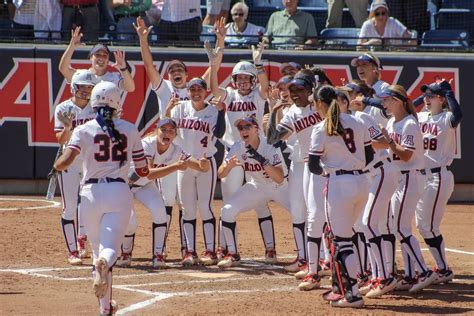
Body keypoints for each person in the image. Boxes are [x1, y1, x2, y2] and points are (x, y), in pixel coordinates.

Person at [53, 81, 149, 315]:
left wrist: (56, 164)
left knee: (97, 250)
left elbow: (63, 162)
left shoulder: (82, 129)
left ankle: (105, 308)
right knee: (110, 250)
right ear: (117, 102)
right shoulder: (129, 128)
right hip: (118, 191)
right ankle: (104, 269)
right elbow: (143, 169)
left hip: (90, 194)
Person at [134, 16, 225, 259]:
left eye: (180, 70)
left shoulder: (194, 91)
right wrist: (143, 40)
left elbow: (213, 67)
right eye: (172, 70)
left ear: (187, 75)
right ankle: (161, 249)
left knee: (189, 205)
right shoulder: (164, 88)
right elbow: (148, 65)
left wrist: (220, 42)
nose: (176, 73)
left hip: (190, 156)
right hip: (169, 153)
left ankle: (189, 249)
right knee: (167, 202)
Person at [206, 39, 278, 262]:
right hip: (234, 148)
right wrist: (213, 63)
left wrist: (258, 64)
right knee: (229, 199)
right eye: (240, 78)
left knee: (260, 200)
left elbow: (265, 88)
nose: (243, 82)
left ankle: (270, 248)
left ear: (252, 80)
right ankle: (227, 247)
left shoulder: (257, 94)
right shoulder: (230, 94)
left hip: (258, 148)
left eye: (247, 78)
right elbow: (214, 89)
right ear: (235, 80)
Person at [308, 85, 373, 307]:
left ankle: (352, 294)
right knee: (344, 235)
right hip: (362, 182)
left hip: (338, 184)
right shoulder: (357, 121)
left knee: (341, 240)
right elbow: (370, 154)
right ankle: (342, 286)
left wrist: (329, 170)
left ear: (319, 103)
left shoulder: (321, 127)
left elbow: (313, 165)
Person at [117, 118, 211, 268]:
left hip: (145, 186)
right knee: (130, 221)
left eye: (171, 131)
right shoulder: (147, 143)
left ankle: (158, 255)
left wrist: (204, 164)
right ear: (157, 131)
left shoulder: (176, 150)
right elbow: (146, 173)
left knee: (160, 212)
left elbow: (200, 167)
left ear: (175, 135)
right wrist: (175, 167)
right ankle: (126, 253)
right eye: (163, 130)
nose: (167, 133)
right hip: (125, 185)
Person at [336, 86, 398, 298]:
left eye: (338, 101)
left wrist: (361, 144)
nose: (333, 107)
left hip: (381, 171)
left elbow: (382, 142)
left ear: (346, 102)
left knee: (369, 224)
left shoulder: (361, 117)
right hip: (368, 177)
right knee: (365, 225)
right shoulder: (335, 126)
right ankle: (376, 275)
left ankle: (385, 277)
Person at [377, 84, 437, 293]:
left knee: (400, 228)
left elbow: (406, 155)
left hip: (411, 177)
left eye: (386, 99)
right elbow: (390, 150)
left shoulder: (410, 123)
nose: (383, 103)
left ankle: (424, 271)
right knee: (401, 227)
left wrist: (389, 143)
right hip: (400, 178)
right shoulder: (394, 121)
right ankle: (411, 275)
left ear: (398, 101)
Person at [267, 72, 325, 282]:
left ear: (311, 90)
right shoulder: (291, 112)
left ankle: (325, 259)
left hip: (323, 164)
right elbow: (273, 138)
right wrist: (274, 113)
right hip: (299, 165)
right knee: (299, 211)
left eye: (300, 89)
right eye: (292, 91)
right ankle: (304, 258)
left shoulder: (322, 106)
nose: (295, 94)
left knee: (318, 212)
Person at [165, 77, 226, 266]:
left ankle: (210, 250)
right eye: (192, 89)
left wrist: (222, 112)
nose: (196, 92)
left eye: (199, 89)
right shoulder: (180, 108)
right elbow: (165, 129)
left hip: (205, 163)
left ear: (206, 91)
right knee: (187, 208)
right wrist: (167, 110)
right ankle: (190, 251)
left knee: (205, 207)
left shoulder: (213, 111)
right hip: (184, 164)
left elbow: (220, 133)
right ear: (188, 91)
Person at [217, 116, 288, 268]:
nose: (244, 130)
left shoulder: (269, 146)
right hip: (257, 185)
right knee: (227, 211)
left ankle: (312, 258)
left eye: (247, 127)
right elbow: (220, 174)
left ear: (257, 129)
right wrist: (228, 167)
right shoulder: (238, 146)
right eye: (241, 128)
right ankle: (233, 255)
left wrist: (263, 161)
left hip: (279, 187)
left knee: (301, 214)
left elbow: (280, 178)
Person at [416, 80, 462, 284]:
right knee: (424, 224)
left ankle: (443, 269)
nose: (426, 99)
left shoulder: (445, 118)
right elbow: (406, 107)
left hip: (438, 176)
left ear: (441, 99)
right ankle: (442, 267)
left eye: (431, 96)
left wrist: (448, 92)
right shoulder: (421, 116)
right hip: (421, 176)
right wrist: (424, 95)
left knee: (427, 225)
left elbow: (457, 115)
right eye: (425, 96)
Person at [54, 69, 96, 265]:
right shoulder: (63, 108)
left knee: (90, 203)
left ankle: (82, 239)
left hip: (91, 159)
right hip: (71, 158)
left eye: (89, 87)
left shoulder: (97, 107)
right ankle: (72, 250)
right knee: (70, 206)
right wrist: (68, 127)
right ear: (74, 87)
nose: (86, 91)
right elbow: (59, 139)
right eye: (83, 87)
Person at [59, 28, 135, 92]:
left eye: (105, 56)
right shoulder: (81, 75)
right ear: (90, 58)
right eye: (97, 54)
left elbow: (130, 88)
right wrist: (71, 46)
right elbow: (63, 69)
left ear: (108, 61)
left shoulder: (114, 77)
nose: (101, 58)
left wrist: (123, 69)